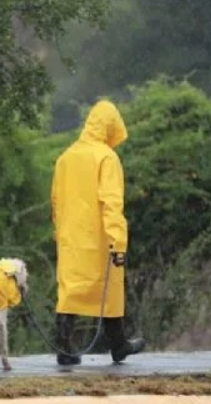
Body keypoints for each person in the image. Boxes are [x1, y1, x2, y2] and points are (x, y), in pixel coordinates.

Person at [50, 99, 145, 365]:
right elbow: (112, 202)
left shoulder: (66, 157)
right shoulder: (106, 157)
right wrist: (118, 241)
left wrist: (60, 234)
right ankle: (118, 344)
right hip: (101, 239)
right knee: (110, 290)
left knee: (70, 291)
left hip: (71, 240)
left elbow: (55, 201)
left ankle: (65, 348)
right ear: (110, 127)